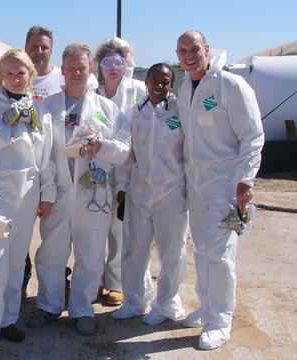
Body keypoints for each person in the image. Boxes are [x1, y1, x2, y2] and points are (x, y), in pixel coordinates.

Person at [28, 43, 130, 335]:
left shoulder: (107, 109)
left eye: (81, 67)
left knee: (91, 255)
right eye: (70, 67)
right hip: (57, 194)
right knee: (51, 253)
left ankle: (83, 309)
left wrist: (102, 147)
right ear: (62, 70)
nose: (76, 72)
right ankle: (49, 305)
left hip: (93, 195)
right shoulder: (45, 108)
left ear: (91, 70)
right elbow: (40, 154)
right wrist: (44, 192)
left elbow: (123, 150)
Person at [175, 30, 264, 350]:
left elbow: (252, 136)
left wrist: (245, 181)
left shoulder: (230, 85)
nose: (187, 55)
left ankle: (220, 320)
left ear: (207, 50)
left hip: (224, 185)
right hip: (195, 185)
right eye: (182, 50)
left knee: (220, 255)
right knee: (201, 250)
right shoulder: (184, 87)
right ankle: (207, 305)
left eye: (193, 48)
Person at [0, 48, 55, 360]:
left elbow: (46, 160)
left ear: (31, 75)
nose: (16, 78)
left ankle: (7, 320)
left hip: (28, 196)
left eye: (21, 73)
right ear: (0, 76)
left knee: (17, 265)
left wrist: (47, 195)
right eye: (10, 73)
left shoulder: (41, 113)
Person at [112, 63, 188, 326]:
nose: (158, 84)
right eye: (154, 78)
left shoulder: (180, 111)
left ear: (171, 85)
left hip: (172, 193)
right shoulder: (134, 113)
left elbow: (189, 150)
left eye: (164, 81)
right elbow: (126, 156)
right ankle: (134, 301)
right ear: (146, 81)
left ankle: (167, 303)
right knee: (134, 249)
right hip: (139, 192)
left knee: (171, 252)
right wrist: (122, 189)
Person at [94, 37, 147, 307]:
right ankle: (91, 281)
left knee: (119, 227)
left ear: (127, 65)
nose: (113, 68)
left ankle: (115, 284)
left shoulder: (139, 90)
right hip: (96, 167)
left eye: (119, 62)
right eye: (107, 62)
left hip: (129, 167)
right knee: (91, 227)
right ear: (99, 66)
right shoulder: (91, 91)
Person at [24, 25, 63, 100]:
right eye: (34, 47)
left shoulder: (63, 78)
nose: (39, 52)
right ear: (25, 49)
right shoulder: (14, 77)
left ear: (51, 51)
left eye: (44, 48)